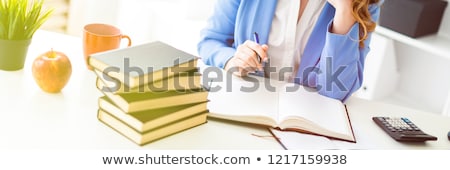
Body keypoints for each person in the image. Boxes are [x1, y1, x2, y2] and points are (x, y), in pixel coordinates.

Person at [197, 0, 383, 101]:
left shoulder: (364, 4)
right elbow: (211, 41)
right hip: (247, 104)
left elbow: (336, 92)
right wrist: (233, 60)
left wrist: (344, 11)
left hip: (307, 124)